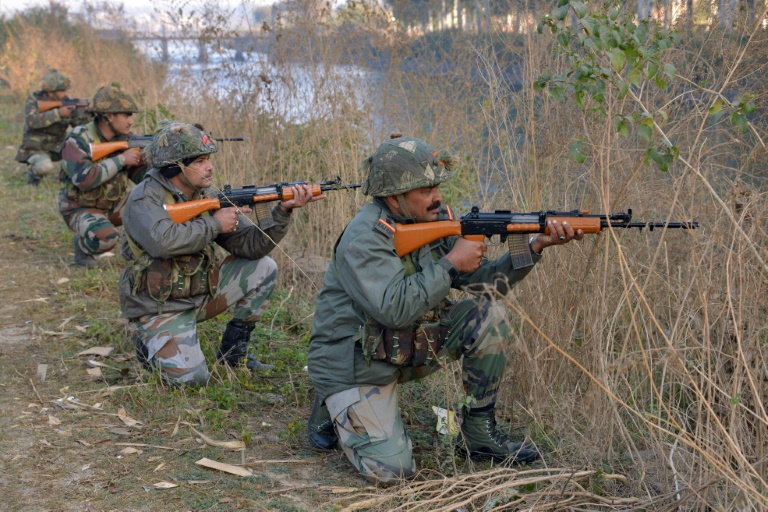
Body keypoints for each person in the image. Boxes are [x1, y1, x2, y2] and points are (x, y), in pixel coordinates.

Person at [306, 134, 583, 484]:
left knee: (487, 317)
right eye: (425, 188)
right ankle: (331, 403)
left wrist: (535, 246)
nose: (437, 195)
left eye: (436, 185)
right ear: (393, 197)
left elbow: (488, 285)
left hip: (395, 347)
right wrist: (451, 263)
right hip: (354, 362)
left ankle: (479, 436)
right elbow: (394, 309)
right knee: (393, 472)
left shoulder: (434, 220)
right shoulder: (365, 236)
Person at [118, 121, 324, 385]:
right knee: (193, 381)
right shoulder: (145, 198)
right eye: (202, 161)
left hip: (199, 295)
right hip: (158, 306)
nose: (210, 166)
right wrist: (215, 224)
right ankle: (148, 346)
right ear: (176, 166)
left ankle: (233, 354)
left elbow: (253, 247)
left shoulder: (206, 194)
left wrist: (282, 211)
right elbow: (163, 242)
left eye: (209, 160)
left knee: (264, 266)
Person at [57, 83, 147, 268]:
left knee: (152, 201)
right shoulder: (78, 138)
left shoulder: (127, 139)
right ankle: (83, 246)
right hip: (79, 207)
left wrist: (157, 159)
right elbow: (83, 179)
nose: (131, 121)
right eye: (126, 115)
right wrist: (121, 160)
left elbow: (144, 178)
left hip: (113, 205)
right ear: (109, 116)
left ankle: (143, 252)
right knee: (106, 239)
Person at [15, 69, 90, 186]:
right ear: (50, 92)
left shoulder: (67, 102)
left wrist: (87, 114)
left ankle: (67, 174)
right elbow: (31, 121)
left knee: (82, 149)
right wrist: (57, 114)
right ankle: (34, 175)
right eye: (61, 91)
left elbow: (80, 127)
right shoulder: (35, 99)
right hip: (36, 147)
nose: (65, 94)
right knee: (44, 167)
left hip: (57, 145)